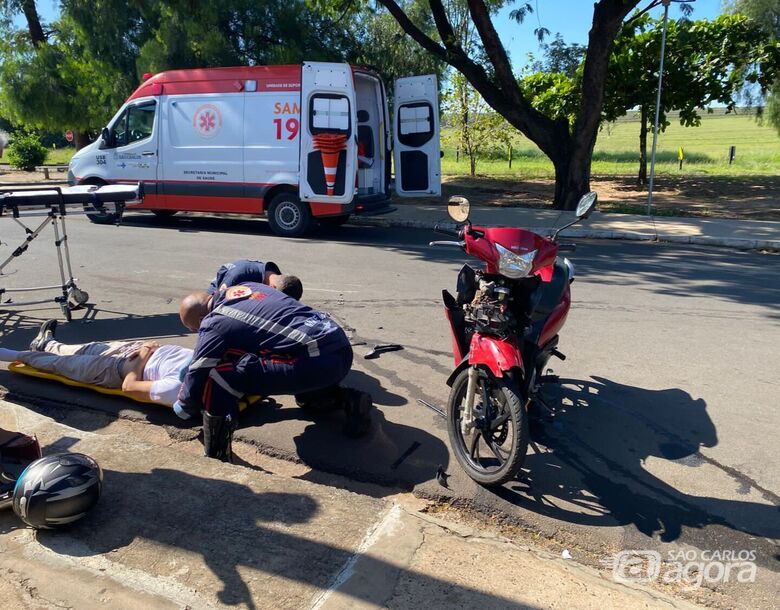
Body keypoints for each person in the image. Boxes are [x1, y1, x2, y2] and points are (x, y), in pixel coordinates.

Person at [176, 282, 372, 461]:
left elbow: (199, 368)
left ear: (202, 319)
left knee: (220, 376)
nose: (197, 333)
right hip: (338, 348)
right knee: (306, 399)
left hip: (316, 361)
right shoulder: (248, 287)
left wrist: (184, 405)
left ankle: (218, 457)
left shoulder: (214, 321)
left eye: (195, 329)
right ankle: (349, 399)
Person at [0, 320, 192, 407]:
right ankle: (47, 344)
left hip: (115, 371)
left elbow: (129, 387)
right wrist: (146, 348)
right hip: (136, 350)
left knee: (60, 364)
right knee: (88, 348)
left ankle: (10, 354)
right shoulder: (211, 363)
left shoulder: (177, 388)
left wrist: (142, 356)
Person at [208, 259, 303, 301]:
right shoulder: (238, 277)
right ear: (272, 287)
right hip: (215, 294)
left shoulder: (276, 277)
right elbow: (217, 301)